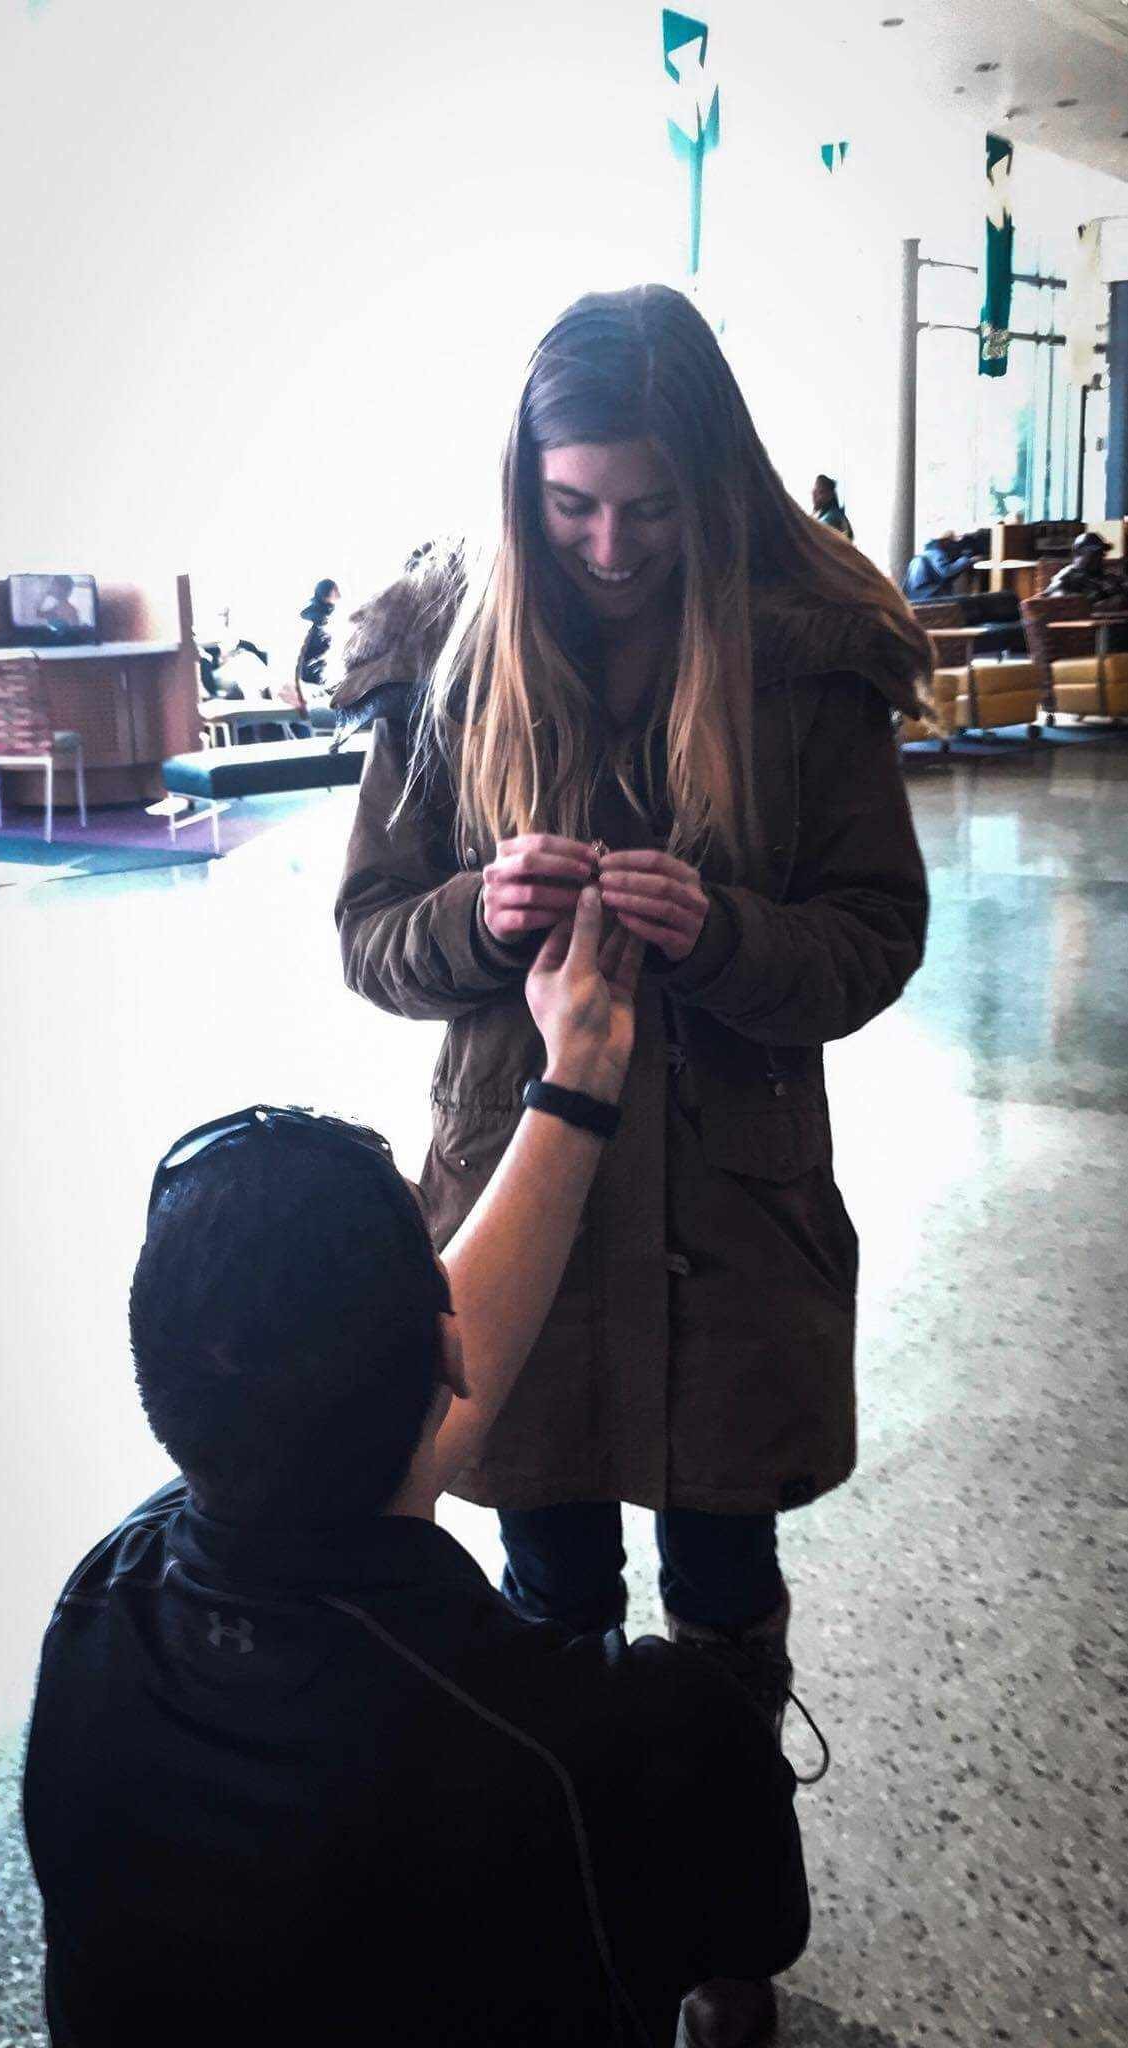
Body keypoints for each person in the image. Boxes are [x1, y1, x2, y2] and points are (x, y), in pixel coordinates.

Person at [23, 889, 809, 2048]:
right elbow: (755, 1923)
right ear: (447, 1351)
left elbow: (410, 1377)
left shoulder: (99, 1610)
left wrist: (574, 1081)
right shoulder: (614, 1739)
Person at [337, 285, 927, 1756]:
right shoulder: (446, 659)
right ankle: (586, 1885)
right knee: (549, 1590)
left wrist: (723, 933)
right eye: (572, 508)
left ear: (714, 484)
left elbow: (872, 940)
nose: (609, 550)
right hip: (518, 1194)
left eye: (650, 510)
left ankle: (726, 1913)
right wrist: (481, 915)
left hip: (733, 1208)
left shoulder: (808, 659)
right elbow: (370, 939)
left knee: (725, 1591)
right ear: (521, 491)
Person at [1043, 530, 1126, 604]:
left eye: (1101, 553)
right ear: (1078, 554)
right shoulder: (1067, 577)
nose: (1099, 557)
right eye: (1094, 553)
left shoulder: (1104, 576)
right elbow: (1058, 601)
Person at [902, 531, 978, 604]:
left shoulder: (926, 553)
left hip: (915, 596)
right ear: (945, 542)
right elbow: (946, 571)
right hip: (926, 597)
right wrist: (967, 560)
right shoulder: (936, 553)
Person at [810, 473, 853, 539]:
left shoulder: (833, 516)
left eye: (821, 492)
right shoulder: (823, 517)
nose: (815, 496)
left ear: (830, 495)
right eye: (814, 492)